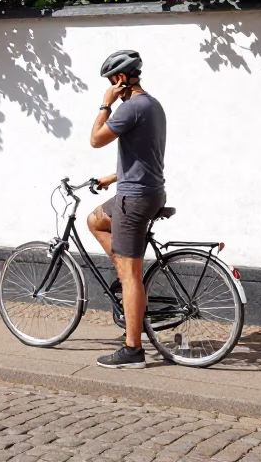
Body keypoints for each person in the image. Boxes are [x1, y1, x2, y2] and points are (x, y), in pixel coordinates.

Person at [87, 50, 167, 370]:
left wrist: (106, 102)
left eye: (111, 81)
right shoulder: (153, 105)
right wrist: (113, 176)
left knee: (131, 276)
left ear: (120, 79)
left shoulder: (130, 107)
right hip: (149, 191)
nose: (111, 86)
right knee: (95, 220)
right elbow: (145, 158)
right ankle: (125, 271)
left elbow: (95, 139)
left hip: (132, 201)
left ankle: (133, 350)